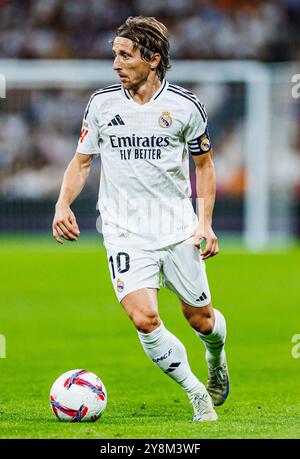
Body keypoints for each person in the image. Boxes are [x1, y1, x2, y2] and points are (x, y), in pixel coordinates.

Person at [52, 16, 229, 422]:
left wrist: (205, 223)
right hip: (124, 231)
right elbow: (81, 163)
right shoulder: (102, 104)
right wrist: (63, 204)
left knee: (200, 319)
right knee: (145, 318)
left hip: (177, 229)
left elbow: (204, 166)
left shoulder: (185, 106)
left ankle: (216, 357)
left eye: (125, 55)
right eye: (114, 54)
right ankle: (196, 392)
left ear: (153, 59)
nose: (115, 63)